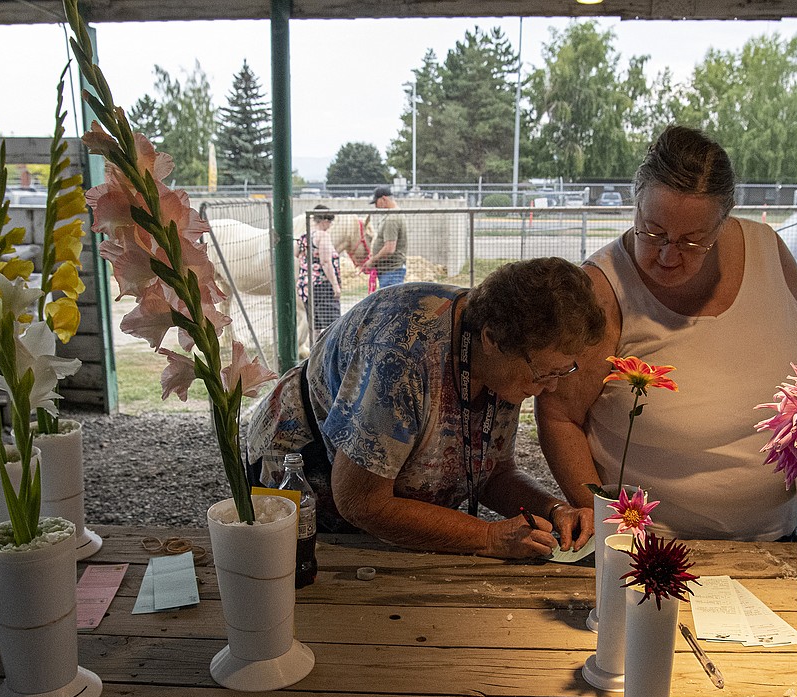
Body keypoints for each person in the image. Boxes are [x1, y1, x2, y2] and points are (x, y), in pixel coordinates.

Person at [536, 125, 797, 543]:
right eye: (652, 232)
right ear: (636, 204)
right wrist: (608, 525)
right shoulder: (602, 291)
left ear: (724, 221)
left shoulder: (769, 250)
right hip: (653, 545)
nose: (668, 255)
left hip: (779, 534)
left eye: (693, 241)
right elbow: (559, 416)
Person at [246, 256, 605, 559]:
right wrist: (487, 537)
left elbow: (490, 474)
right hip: (302, 478)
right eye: (545, 373)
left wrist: (554, 510)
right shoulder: (403, 354)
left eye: (564, 371)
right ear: (492, 339)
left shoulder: (502, 363)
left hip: (376, 500)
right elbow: (361, 502)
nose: (552, 387)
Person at [296, 204, 342, 336]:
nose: (330, 225)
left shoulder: (305, 236)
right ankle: (330, 353)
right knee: (332, 324)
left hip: (305, 286)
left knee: (315, 325)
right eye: (330, 222)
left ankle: (315, 352)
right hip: (322, 285)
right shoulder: (323, 236)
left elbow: (295, 252)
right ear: (325, 221)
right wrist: (335, 286)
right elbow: (326, 262)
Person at [365, 185, 407, 288]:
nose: (376, 206)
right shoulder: (392, 215)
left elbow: (389, 248)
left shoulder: (391, 219)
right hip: (389, 271)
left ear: (383, 199)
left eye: (376, 202)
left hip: (391, 271)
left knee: (390, 302)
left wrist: (372, 261)